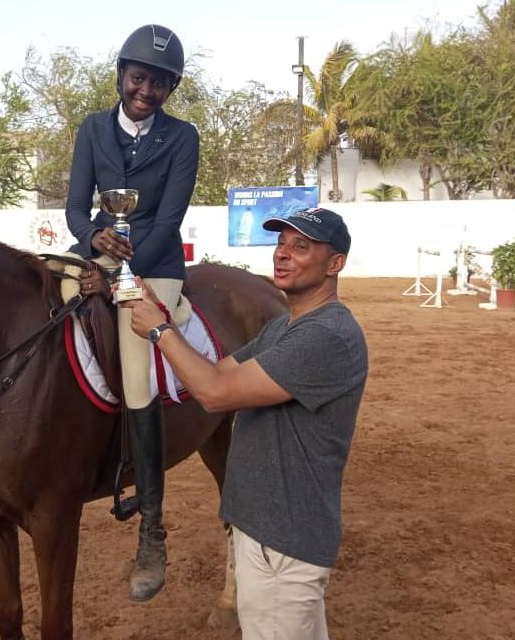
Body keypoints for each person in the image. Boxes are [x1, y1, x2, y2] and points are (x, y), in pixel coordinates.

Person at [123, 207, 368, 639]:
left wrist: (159, 331)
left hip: (281, 542)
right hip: (266, 532)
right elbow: (215, 372)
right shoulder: (284, 329)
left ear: (335, 264)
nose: (283, 254)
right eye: (281, 243)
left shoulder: (324, 336)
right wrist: (159, 309)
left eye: (301, 247)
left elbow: (215, 393)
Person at [64, 24, 200, 602]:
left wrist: (120, 271)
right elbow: (76, 206)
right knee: (34, 308)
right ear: (122, 75)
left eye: (159, 84)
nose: (146, 91)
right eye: (139, 78)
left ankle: (152, 528)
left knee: (137, 373)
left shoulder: (183, 137)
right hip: (97, 250)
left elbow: (168, 220)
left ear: (170, 89)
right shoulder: (93, 128)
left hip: (154, 263)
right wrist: (93, 237)